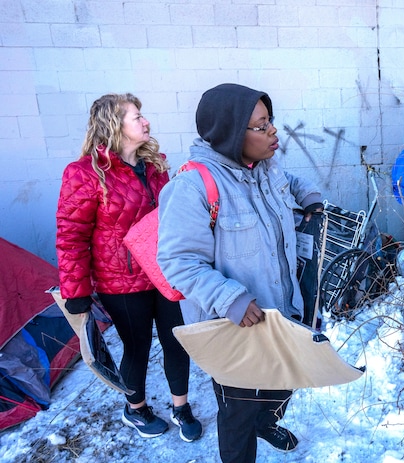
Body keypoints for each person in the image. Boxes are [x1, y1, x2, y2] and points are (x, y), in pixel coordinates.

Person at [156, 83, 323, 462]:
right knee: (238, 412)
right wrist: (229, 298)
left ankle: (266, 421)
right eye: (261, 126)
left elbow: (291, 182)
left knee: (283, 382)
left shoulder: (265, 168)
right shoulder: (193, 187)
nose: (273, 131)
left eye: (270, 121)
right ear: (232, 133)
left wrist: (309, 196)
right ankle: (247, 434)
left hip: (281, 313)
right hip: (236, 328)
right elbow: (178, 261)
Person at [55, 93, 203, 443]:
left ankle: (181, 407)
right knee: (136, 348)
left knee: (177, 341)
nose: (146, 121)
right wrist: (75, 292)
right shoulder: (84, 174)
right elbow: (71, 236)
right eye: (137, 117)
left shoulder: (155, 166)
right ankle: (135, 409)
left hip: (164, 273)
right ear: (114, 125)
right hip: (121, 281)